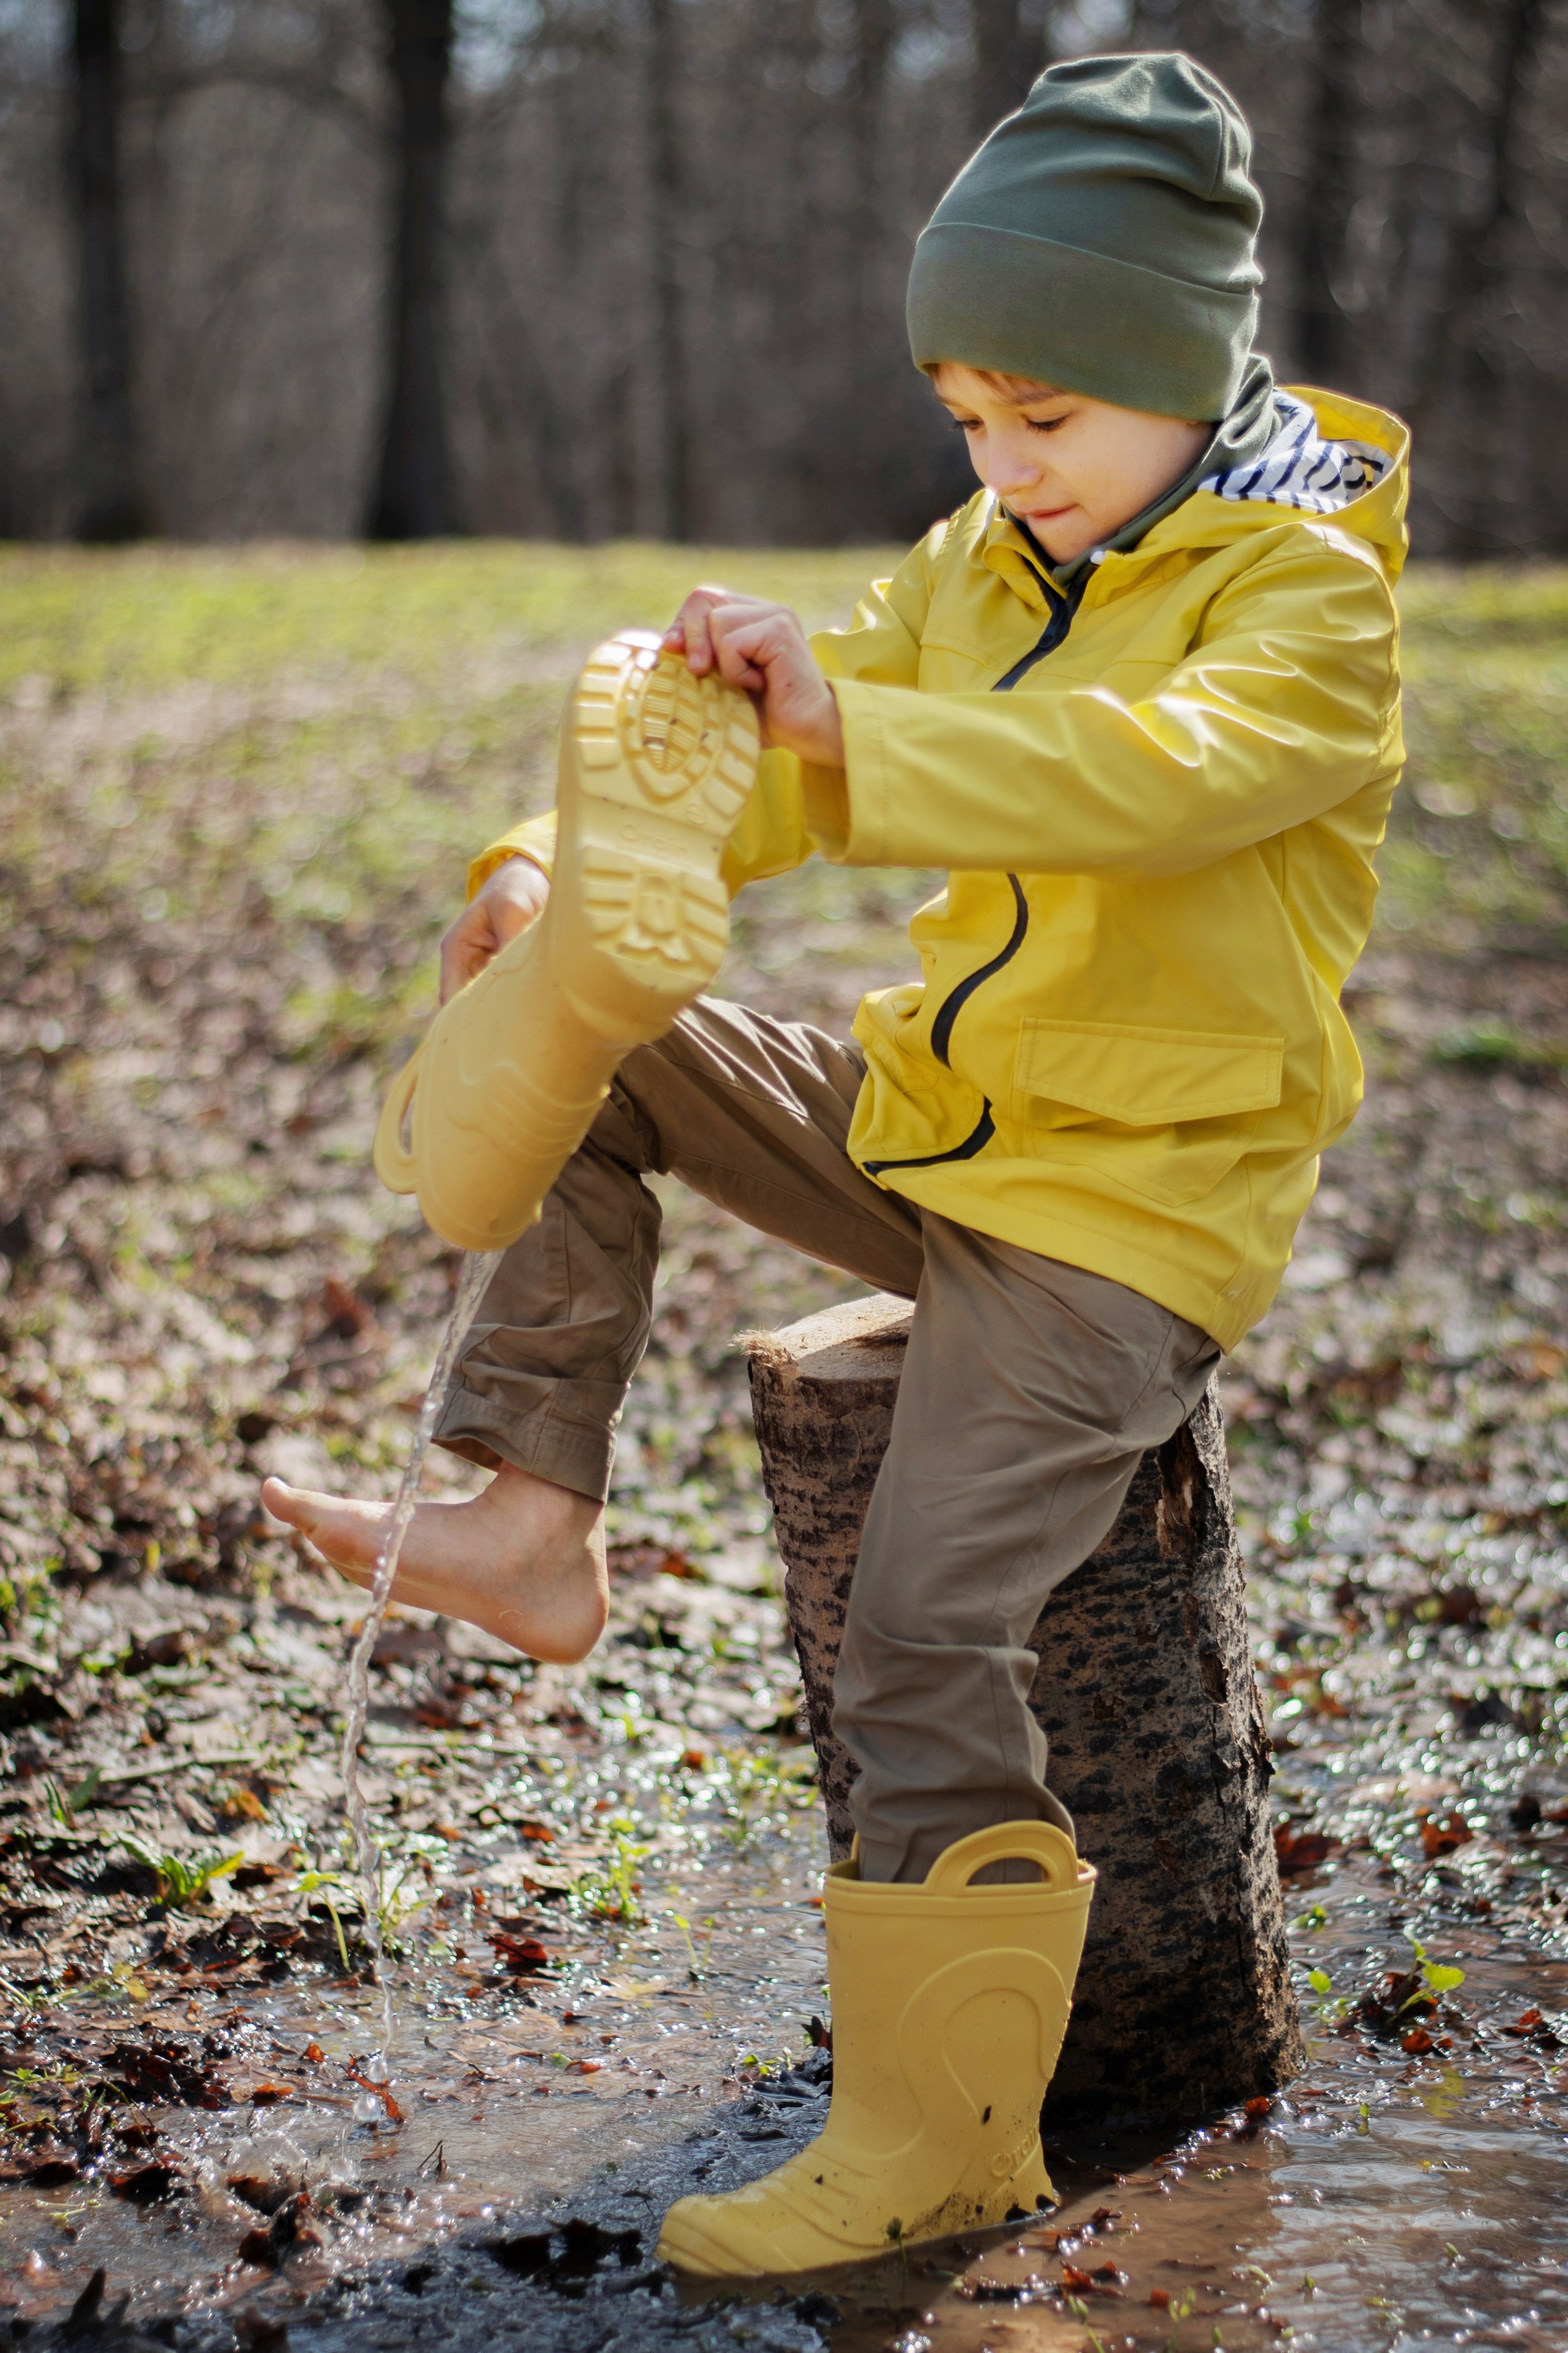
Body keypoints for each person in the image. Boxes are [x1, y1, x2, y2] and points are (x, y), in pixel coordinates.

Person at [263, 51, 1407, 2278]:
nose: (1001, 466)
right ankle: (526, 1519)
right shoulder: (983, 559)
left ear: (1185, 367)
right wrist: (539, 867)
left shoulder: (1309, 604)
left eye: (1044, 416)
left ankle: (934, 2138)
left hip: (1125, 1218)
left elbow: (1144, 774)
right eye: (965, 417)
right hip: (939, 1129)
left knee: (912, 1630)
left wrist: (849, 725)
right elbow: (758, 778)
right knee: (596, 1027)